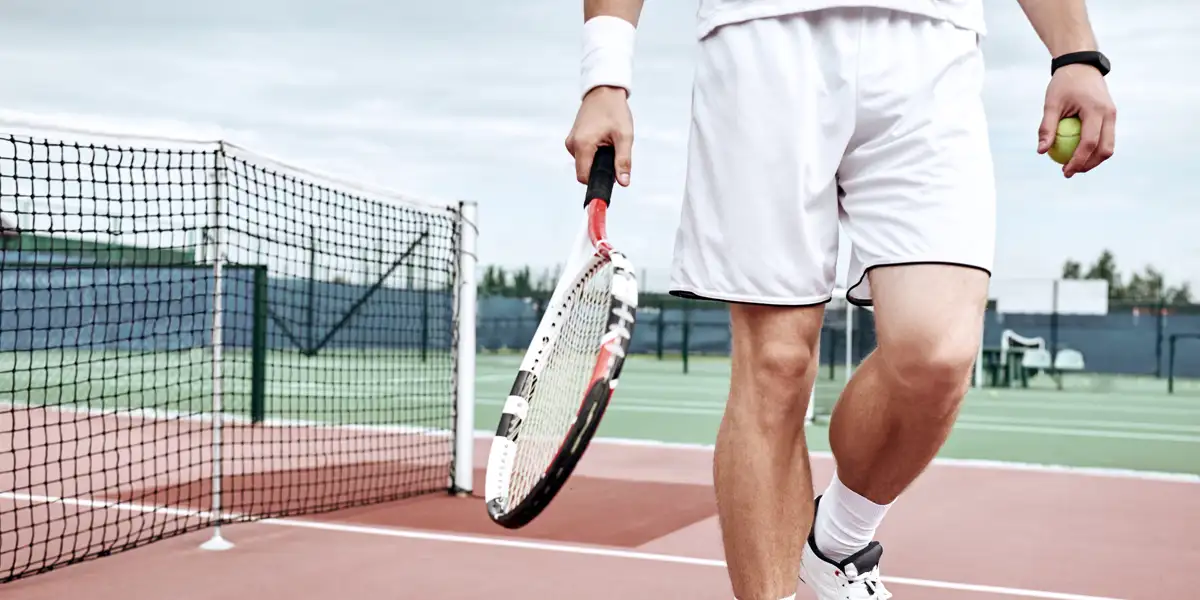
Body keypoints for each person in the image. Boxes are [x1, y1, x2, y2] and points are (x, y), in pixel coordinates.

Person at [565, 0, 1116, 598]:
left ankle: (839, 541)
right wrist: (605, 74)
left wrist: (1076, 51)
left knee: (939, 355)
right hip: (760, 37)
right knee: (775, 366)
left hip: (932, 45)